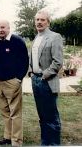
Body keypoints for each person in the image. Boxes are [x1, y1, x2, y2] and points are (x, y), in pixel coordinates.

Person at [0, 19, 29, 146]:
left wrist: (18, 79)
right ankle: (7, 137)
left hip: (12, 82)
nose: (0, 30)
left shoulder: (17, 41)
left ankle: (16, 141)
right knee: (5, 112)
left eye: (3, 27)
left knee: (15, 113)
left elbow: (25, 61)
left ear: (8, 28)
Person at [29, 9, 63, 145]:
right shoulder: (36, 37)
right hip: (36, 81)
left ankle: (54, 144)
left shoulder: (55, 37)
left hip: (47, 82)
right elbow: (34, 59)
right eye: (37, 20)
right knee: (42, 116)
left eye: (42, 20)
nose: (39, 22)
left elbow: (58, 61)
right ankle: (45, 143)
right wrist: (32, 73)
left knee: (51, 117)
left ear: (48, 22)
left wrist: (44, 75)